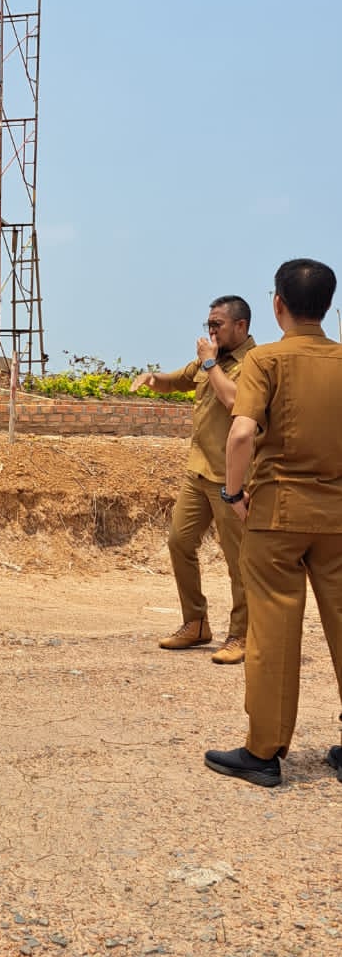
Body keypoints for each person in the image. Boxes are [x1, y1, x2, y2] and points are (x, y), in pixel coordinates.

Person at [205, 259, 342, 788]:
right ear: (328, 306)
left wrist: (233, 492)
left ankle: (264, 752)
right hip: (337, 517)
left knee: (273, 631)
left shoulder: (267, 359)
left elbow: (241, 434)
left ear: (278, 304)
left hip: (278, 514)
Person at [131, 297, 255, 662]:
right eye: (209, 325)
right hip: (198, 473)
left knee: (240, 561)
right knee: (179, 542)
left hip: (233, 479)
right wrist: (152, 379)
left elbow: (235, 401)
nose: (211, 331)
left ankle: (243, 635)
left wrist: (211, 362)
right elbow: (180, 380)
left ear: (241, 326)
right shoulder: (208, 360)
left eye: (217, 324)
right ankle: (196, 624)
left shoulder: (254, 364)